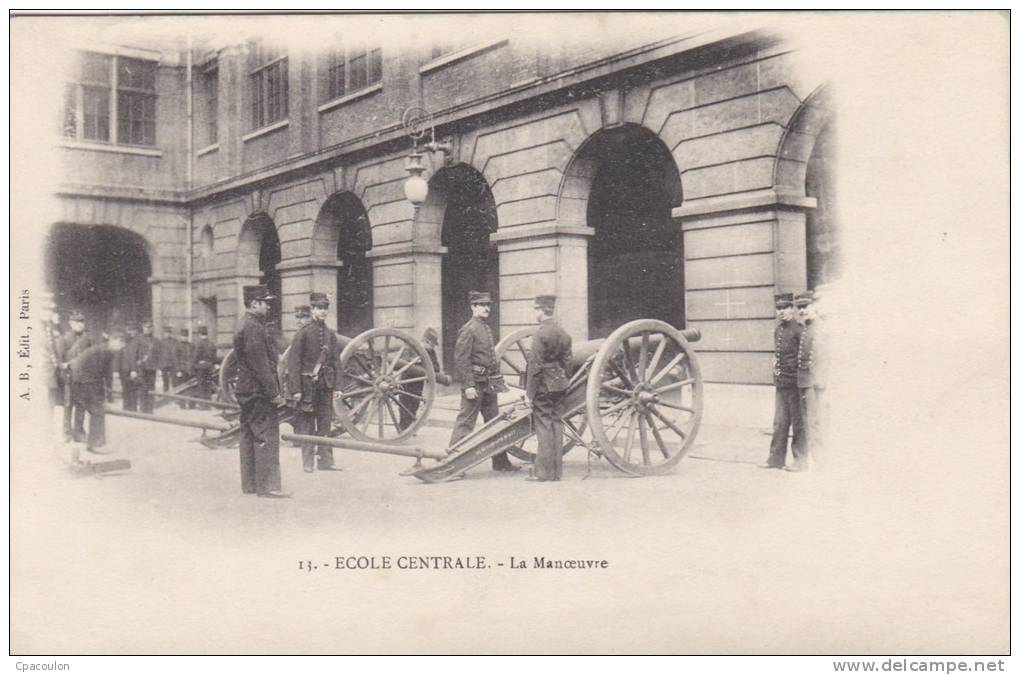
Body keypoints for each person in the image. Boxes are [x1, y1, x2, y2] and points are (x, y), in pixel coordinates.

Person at [449, 291, 518, 472]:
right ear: (473, 307)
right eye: (481, 304)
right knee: (465, 422)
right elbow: (461, 360)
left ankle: (500, 462)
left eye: (488, 305)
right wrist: (468, 385)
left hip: (488, 384)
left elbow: (491, 358)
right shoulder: (469, 329)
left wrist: (497, 381)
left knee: (494, 423)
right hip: (476, 383)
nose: (486, 308)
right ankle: (452, 463)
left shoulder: (486, 328)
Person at [234, 285, 290, 498]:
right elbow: (260, 364)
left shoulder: (244, 324)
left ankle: (251, 485)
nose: (268, 306)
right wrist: (274, 392)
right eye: (265, 302)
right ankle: (269, 487)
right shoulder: (255, 327)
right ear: (254, 303)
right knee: (266, 436)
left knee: (248, 435)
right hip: (259, 391)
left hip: (246, 389)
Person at [288, 292, 342, 473]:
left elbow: (336, 362)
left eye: (325, 308)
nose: (323, 312)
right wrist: (295, 389)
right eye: (319, 308)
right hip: (307, 387)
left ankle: (326, 460)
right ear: (312, 309)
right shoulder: (303, 334)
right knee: (307, 424)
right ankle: (308, 462)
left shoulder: (330, 334)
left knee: (325, 423)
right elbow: (293, 363)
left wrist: (338, 386)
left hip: (325, 385)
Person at [525, 295, 573, 482]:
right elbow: (567, 363)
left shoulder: (541, 334)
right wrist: (562, 378)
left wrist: (530, 393)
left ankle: (543, 473)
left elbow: (535, 366)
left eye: (536, 309)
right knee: (557, 423)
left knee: (543, 426)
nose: (535, 313)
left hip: (543, 385)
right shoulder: (563, 333)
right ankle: (556, 473)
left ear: (541, 311)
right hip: (559, 384)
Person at [65, 331, 127, 453]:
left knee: (86, 409)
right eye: (120, 345)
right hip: (83, 381)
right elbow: (96, 375)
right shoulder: (103, 352)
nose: (120, 349)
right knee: (98, 411)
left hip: (82, 380)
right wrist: (101, 397)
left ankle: (81, 438)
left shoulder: (104, 350)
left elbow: (102, 374)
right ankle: (96, 445)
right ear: (114, 341)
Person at [765, 292, 807, 471]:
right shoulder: (778, 330)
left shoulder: (799, 330)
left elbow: (802, 359)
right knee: (780, 423)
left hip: (796, 385)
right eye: (779, 308)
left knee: (799, 424)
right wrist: (776, 375)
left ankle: (800, 460)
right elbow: (777, 356)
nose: (782, 312)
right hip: (782, 384)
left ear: (792, 309)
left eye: (785, 308)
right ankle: (775, 459)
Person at [396, 327, 451, 432]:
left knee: (414, 404)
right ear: (426, 341)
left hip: (418, 382)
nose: (432, 346)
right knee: (403, 404)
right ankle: (403, 428)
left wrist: (424, 365)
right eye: (431, 344)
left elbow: (436, 368)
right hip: (406, 381)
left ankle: (409, 428)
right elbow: (402, 361)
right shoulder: (411, 347)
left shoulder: (431, 352)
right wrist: (413, 362)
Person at [57, 310, 97, 440]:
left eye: (82, 322)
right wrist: (66, 367)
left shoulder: (89, 339)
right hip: (69, 378)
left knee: (81, 405)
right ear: (70, 323)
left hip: (84, 378)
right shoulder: (64, 339)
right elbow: (59, 360)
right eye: (76, 322)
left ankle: (79, 432)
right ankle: (66, 432)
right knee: (68, 406)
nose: (80, 325)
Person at [795, 291, 819, 471]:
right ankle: (809, 461)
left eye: (805, 307)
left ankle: (820, 461)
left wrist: (820, 382)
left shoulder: (820, 328)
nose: (802, 310)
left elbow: (825, 358)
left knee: (815, 422)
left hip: (814, 383)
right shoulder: (805, 328)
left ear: (814, 306)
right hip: (803, 381)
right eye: (800, 307)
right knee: (806, 422)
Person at [124, 320, 159, 413]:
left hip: (152, 368)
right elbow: (133, 355)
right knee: (143, 389)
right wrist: (133, 370)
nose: (148, 329)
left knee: (151, 389)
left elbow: (158, 354)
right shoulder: (138, 339)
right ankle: (143, 410)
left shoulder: (155, 340)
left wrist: (157, 366)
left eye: (150, 327)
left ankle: (150, 410)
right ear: (143, 328)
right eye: (146, 327)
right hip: (141, 368)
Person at [190, 324, 218, 408]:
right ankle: (208, 405)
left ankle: (202, 405)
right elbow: (214, 357)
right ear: (206, 334)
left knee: (201, 386)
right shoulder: (211, 344)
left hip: (201, 368)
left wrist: (192, 366)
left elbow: (195, 357)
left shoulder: (199, 344)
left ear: (199, 334)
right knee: (208, 386)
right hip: (209, 367)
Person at [118, 323, 140, 411]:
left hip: (132, 370)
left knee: (133, 389)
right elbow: (118, 355)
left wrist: (134, 369)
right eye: (129, 330)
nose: (131, 332)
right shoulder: (124, 341)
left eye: (133, 330)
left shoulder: (137, 341)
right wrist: (116, 370)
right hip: (123, 369)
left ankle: (133, 408)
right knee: (125, 389)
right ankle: (126, 408)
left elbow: (135, 356)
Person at [174, 327, 195, 409]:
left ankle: (191, 404)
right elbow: (175, 359)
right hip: (182, 369)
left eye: (186, 336)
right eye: (183, 336)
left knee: (191, 386)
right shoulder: (177, 346)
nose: (184, 338)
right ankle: (182, 404)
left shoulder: (191, 345)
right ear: (180, 336)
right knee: (182, 387)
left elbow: (193, 357)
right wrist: (178, 370)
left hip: (190, 369)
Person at [158, 324, 178, 393]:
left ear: (170, 333)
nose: (167, 334)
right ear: (164, 333)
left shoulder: (174, 341)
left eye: (169, 333)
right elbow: (158, 354)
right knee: (165, 381)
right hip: (164, 364)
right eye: (166, 333)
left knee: (174, 381)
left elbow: (176, 353)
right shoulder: (160, 342)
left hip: (172, 364)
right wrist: (159, 366)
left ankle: (175, 395)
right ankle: (166, 395)